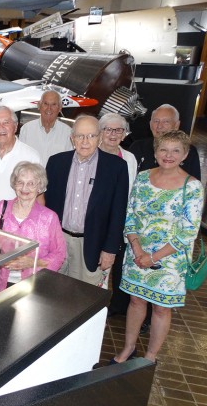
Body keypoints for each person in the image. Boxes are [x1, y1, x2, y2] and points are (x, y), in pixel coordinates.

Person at [112, 130, 203, 364]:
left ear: (184, 155)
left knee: (161, 308)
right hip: (137, 252)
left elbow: (188, 232)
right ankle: (128, 348)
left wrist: (153, 257)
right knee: (135, 300)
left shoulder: (192, 187)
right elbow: (130, 215)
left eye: (175, 151)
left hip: (169, 259)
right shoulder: (142, 178)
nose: (168, 155)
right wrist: (138, 249)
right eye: (163, 149)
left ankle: (150, 356)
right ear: (155, 152)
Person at [45, 115, 129, 287]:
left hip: (92, 245)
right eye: (80, 136)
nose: (85, 141)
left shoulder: (116, 167)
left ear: (99, 138)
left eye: (91, 136)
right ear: (72, 138)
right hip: (58, 240)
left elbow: (118, 212)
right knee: (51, 292)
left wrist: (110, 250)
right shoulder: (56, 163)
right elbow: (46, 205)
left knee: (83, 298)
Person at [0, 162, 66, 293]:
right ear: (14, 184)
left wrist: (33, 262)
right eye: (20, 182)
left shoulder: (49, 217)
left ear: (40, 187)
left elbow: (59, 254)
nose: (25, 188)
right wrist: (1, 258)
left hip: (34, 284)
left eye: (31, 183)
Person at [98, 113, 138, 316]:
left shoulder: (129, 158)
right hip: (94, 225)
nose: (113, 134)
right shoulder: (91, 154)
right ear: (100, 132)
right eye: (108, 129)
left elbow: (129, 194)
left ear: (124, 134)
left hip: (117, 225)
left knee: (109, 268)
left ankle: (100, 311)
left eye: (118, 130)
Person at [129, 104, 201, 180]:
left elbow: (194, 182)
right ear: (150, 124)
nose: (159, 126)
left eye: (166, 122)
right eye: (156, 121)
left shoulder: (189, 151)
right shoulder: (137, 147)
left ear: (176, 125)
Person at [19, 90, 73, 167]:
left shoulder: (68, 133)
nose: (49, 108)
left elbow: (69, 162)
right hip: (31, 177)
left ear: (60, 108)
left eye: (54, 104)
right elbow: (20, 159)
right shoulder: (26, 129)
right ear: (39, 106)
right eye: (45, 104)